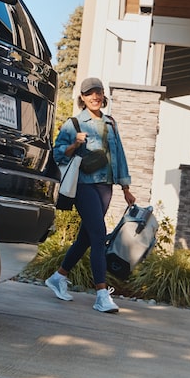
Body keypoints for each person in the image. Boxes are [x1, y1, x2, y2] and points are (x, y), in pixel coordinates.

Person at [45, 77, 136, 313]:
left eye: (98, 92)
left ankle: (58, 277)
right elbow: (57, 154)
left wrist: (126, 188)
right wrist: (74, 144)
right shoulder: (74, 123)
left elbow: (120, 155)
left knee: (86, 238)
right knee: (98, 235)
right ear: (83, 98)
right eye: (89, 93)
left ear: (103, 95)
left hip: (106, 187)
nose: (94, 96)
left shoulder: (111, 123)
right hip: (84, 186)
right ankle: (101, 295)